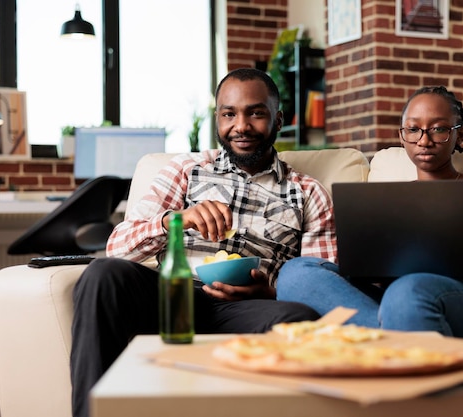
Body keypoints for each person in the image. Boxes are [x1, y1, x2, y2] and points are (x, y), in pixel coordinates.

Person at [70, 68, 337, 417]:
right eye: (229, 114)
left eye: (255, 113)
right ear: (217, 118)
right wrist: (173, 221)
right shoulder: (185, 170)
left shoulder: (307, 192)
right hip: (174, 294)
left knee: (298, 316)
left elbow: (324, 279)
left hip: (249, 308)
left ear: (279, 119)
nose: (240, 126)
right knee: (103, 274)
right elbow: (117, 246)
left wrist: (270, 292)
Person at [276, 85, 463, 350]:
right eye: (413, 129)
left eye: (439, 129)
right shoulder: (386, 205)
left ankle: (382, 343)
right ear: (402, 135)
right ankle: (396, 339)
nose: (424, 140)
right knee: (297, 274)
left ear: (459, 133)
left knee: (410, 290)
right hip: (398, 300)